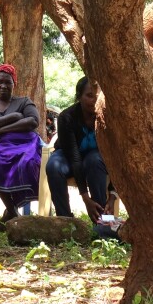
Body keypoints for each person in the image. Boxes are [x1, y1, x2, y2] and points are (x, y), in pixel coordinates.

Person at [0, 63, 41, 225]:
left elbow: (33, 121)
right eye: (0, 81)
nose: (3, 85)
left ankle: (10, 212)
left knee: (30, 162)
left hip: (25, 144)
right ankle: (12, 210)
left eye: (8, 82)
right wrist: (13, 117)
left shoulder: (24, 102)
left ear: (14, 84)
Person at [46, 76, 111, 222]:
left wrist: (112, 197)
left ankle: (102, 220)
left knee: (94, 161)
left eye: (97, 96)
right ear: (78, 97)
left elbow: (119, 157)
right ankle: (65, 221)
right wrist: (85, 198)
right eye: (89, 96)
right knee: (53, 166)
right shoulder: (66, 117)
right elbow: (74, 157)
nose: (94, 100)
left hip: (95, 158)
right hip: (68, 154)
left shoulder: (109, 118)